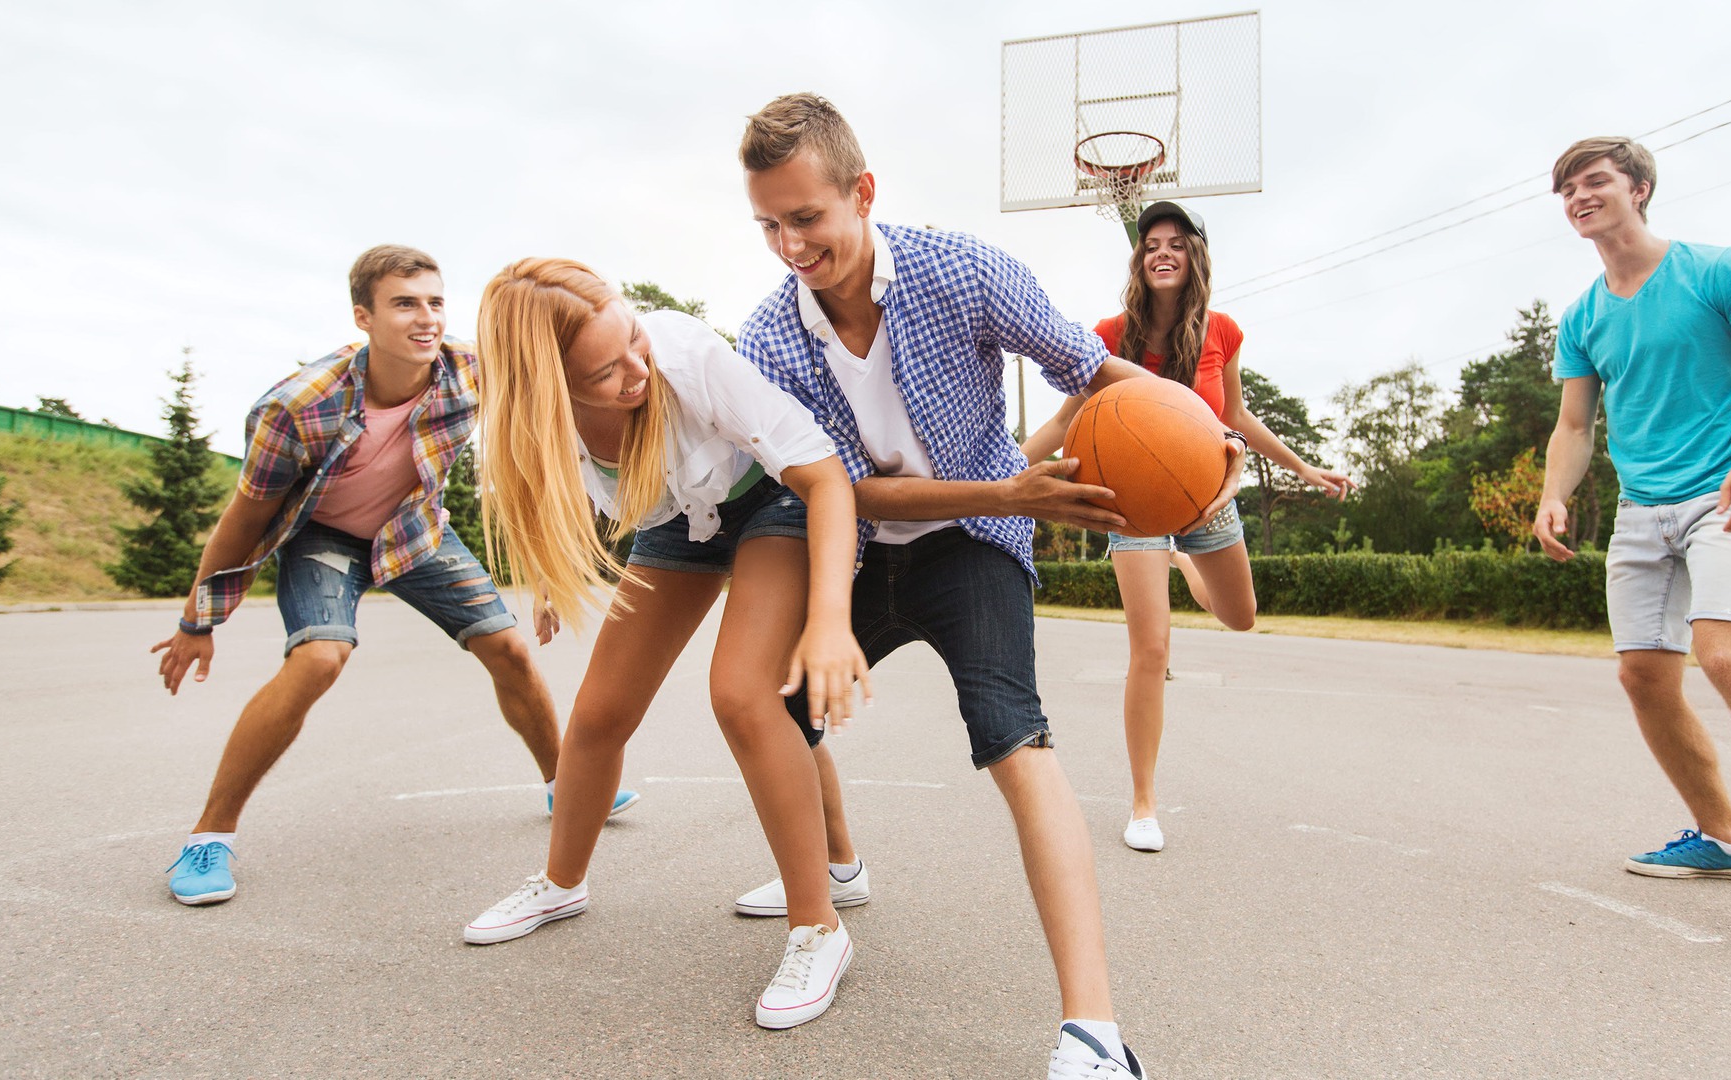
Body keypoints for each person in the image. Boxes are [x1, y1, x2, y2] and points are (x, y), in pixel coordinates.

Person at [734, 93, 1214, 1079]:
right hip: (864, 543)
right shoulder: (771, 338)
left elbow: (1090, 367)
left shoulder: (964, 272)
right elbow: (842, 490)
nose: (790, 246)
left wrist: (1197, 445)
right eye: (768, 226)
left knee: (1013, 737)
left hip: (974, 545)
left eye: (807, 219)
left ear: (862, 193)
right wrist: (1011, 483)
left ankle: (1095, 1033)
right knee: (779, 708)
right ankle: (835, 878)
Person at [150, 245, 638, 908]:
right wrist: (198, 620)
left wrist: (550, 574)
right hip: (324, 539)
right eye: (405, 303)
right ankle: (209, 837)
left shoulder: (470, 371)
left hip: (415, 530)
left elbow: (538, 453)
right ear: (363, 316)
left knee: (510, 650)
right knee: (320, 658)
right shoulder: (295, 408)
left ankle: (567, 786)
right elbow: (244, 519)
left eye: (435, 301)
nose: (426, 316)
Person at [459, 258, 874, 1031]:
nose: (634, 368)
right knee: (599, 714)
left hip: (774, 501)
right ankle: (561, 883)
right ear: (549, 388)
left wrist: (828, 618)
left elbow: (825, 478)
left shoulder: (683, 356)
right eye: (604, 371)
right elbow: (558, 494)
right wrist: (551, 578)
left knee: (744, 697)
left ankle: (820, 927)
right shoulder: (523, 422)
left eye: (631, 340)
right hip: (677, 525)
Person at [1534, 137, 1731, 946]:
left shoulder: (1717, 270)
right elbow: (1574, 423)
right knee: (1643, 677)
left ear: (1638, 188)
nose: (1579, 197)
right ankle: (1722, 839)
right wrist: (1552, 496)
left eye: (1594, 181)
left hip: (1727, 496)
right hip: (1642, 513)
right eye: (1566, 189)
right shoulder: (1585, 315)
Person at [1022, 201, 1352, 854]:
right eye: (1150, 245)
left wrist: (1304, 469)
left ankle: (1183, 560)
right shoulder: (1110, 333)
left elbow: (1237, 417)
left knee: (1241, 617)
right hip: (1134, 502)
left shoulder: (1222, 331)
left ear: (1195, 255)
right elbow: (1064, 424)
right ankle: (1143, 802)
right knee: (1151, 649)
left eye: (1175, 243)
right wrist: (996, 478)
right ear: (1139, 260)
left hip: (1206, 498)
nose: (1161, 252)